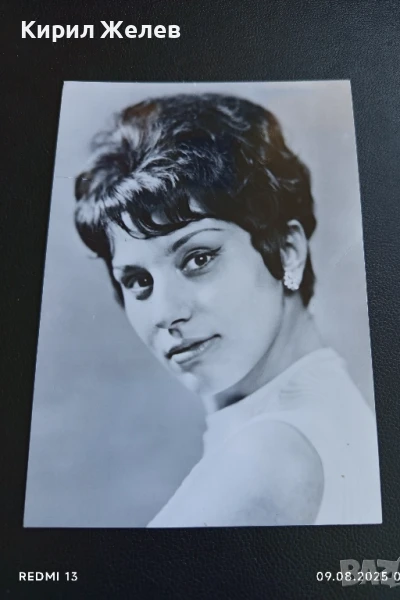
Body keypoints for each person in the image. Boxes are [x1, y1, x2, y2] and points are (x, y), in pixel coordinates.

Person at [74, 93, 381, 527]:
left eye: (198, 258)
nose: (165, 313)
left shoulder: (267, 456)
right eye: (139, 281)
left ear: (287, 250)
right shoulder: (330, 416)